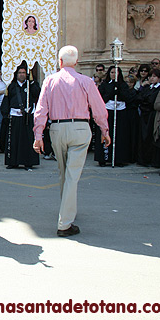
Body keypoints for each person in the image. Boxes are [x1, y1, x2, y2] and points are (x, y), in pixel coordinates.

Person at [33, 45, 110, 237]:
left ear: (60, 62)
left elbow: (41, 110)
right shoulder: (85, 81)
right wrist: (104, 130)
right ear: (76, 62)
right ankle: (65, 222)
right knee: (72, 175)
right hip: (80, 128)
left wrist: (38, 135)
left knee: (64, 172)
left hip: (57, 128)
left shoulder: (50, 80)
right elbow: (99, 108)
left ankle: (66, 211)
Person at [94, 66, 137, 167]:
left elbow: (127, 98)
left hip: (120, 112)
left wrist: (119, 90)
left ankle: (119, 158)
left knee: (120, 135)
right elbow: (101, 99)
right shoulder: (104, 85)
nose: (114, 74)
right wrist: (111, 93)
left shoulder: (123, 85)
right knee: (105, 133)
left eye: (116, 72)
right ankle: (103, 158)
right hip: (108, 111)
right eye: (112, 72)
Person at [2, 63, 40, 169]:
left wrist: (32, 82)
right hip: (15, 116)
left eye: (23, 73)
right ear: (16, 74)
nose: (22, 75)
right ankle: (13, 162)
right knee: (14, 139)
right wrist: (5, 114)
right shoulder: (12, 86)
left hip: (28, 116)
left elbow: (37, 94)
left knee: (27, 140)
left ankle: (28, 162)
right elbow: (7, 100)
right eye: (20, 73)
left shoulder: (31, 85)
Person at [137, 68, 160, 167]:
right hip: (145, 114)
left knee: (151, 136)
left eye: (154, 76)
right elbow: (139, 97)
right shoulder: (148, 87)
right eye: (150, 76)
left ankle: (153, 160)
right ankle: (143, 159)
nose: (151, 78)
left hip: (153, 115)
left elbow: (151, 101)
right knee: (143, 137)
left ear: (159, 78)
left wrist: (144, 100)